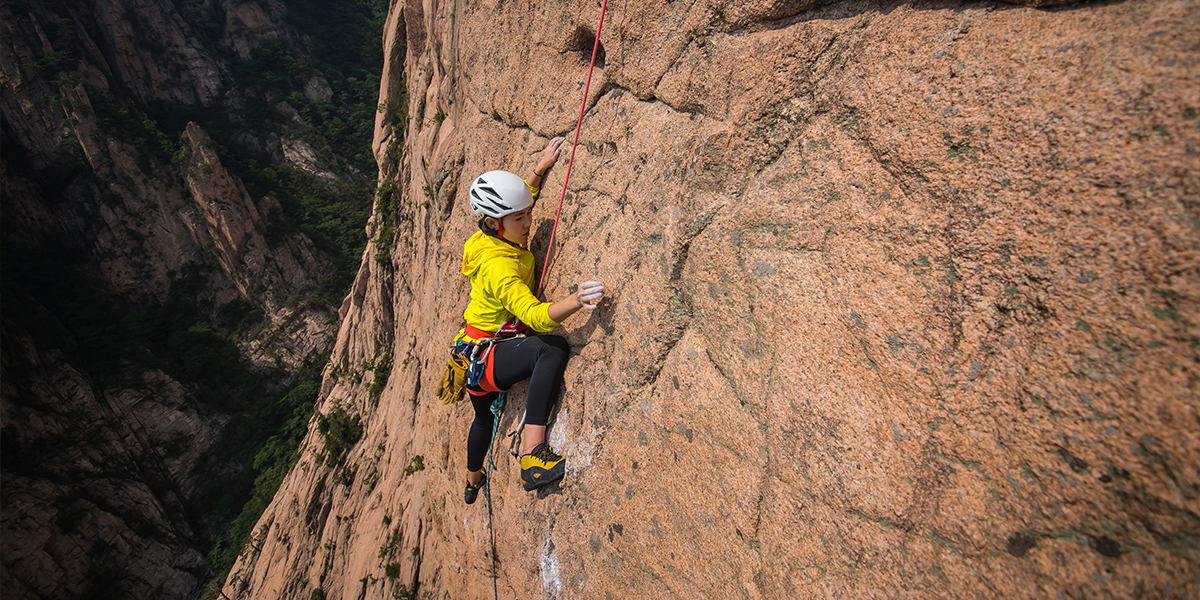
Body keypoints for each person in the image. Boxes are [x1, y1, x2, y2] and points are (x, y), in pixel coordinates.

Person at [456, 136, 604, 503]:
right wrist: (574, 300)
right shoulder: (499, 266)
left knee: (482, 420)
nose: (529, 222)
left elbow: (518, 204)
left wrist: (538, 171)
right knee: (550, 348)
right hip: (489, 355)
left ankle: (472, 480)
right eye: (520, 219)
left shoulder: (489, 234)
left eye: (527, 214)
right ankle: (532, 456)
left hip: (473, 352)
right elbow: (537, 317)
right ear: (493, 224)